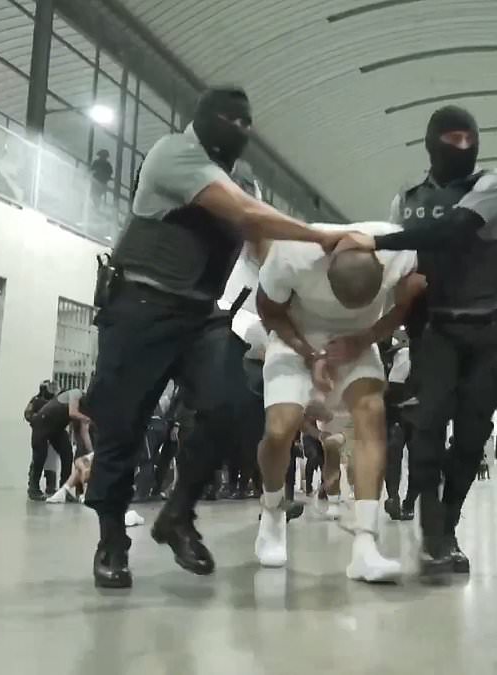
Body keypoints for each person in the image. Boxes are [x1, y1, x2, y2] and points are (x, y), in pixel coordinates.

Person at [83, 86, 353, 589]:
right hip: (140, 306)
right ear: (205, 118)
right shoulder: (173, 154)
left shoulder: (240, 179)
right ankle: (112, 540)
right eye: (232, 120)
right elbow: (248, 215)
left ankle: (177, 515)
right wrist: (321, 234)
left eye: (248, 123)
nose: (241, 130)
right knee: (123, 426)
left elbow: (264, 244)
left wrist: (320, 288)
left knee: (233, 405)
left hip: (199, 315)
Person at [338, 104, 497, 575]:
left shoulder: (493, 182)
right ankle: (435, 534)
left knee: (472, 437)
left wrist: (373, 241)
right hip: (435, 330)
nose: (463, 147)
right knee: (428, 429)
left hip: (489, 332)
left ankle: (448, 525)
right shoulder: (407, 198)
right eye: (453, 139)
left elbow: (454, 230)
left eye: (470, 139)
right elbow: (405, 263)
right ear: (432, 143)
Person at [253, 222, 422, 581]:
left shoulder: (400, 251)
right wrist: (309, 354)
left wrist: (366, 337)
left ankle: (366, 543)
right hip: (295, 337)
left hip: (358, 340)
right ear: (326, 273)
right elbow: (269, 311)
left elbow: (405, 307)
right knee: (280, 429)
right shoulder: (291, 252)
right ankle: (272, 509)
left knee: (371, 412)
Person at [29, 387, 89, 501]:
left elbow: (80, 431)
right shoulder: (76, 393)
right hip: (42, 422)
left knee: (67, 454)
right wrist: (87, 418)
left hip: (57, 429)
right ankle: (33, 489)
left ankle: (64, 491)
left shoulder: (83, 408)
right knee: (40, 456)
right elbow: (72, 413)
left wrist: (90, 451)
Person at [381, 336, 414, 520]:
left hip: (410, 410)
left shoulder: (404, 352)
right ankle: (394, 497)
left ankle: (408, 502)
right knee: (393, 454)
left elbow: (392, 388)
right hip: (394, 413)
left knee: (414, 458)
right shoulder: (382, 353)